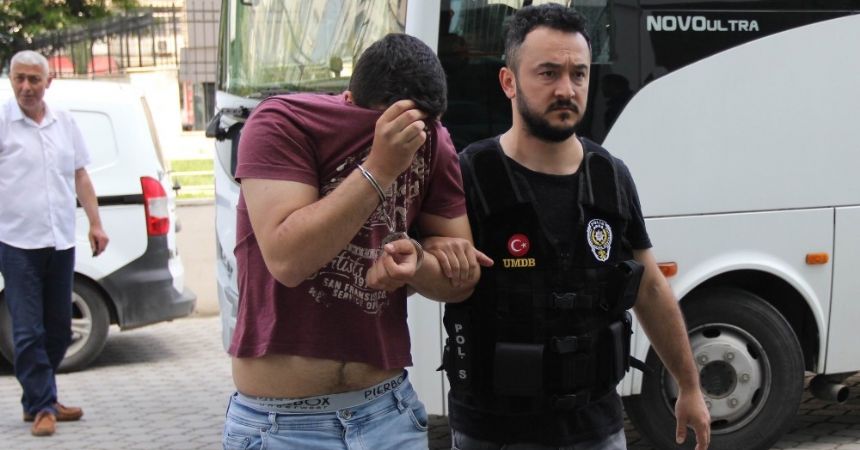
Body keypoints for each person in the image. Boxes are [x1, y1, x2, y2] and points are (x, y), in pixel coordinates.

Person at [427, 5, 711, 449]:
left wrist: (689, 386)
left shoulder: (611, 176)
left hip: (597, 430)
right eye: (548, 73)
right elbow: (431, 274)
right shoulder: (468, 175)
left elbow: (651, 288)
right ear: (508, 82)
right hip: (493, 434)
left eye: (579, 74)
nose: (566, 89)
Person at [223, 34, 491, 450]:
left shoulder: (430, 138)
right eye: (387, 128)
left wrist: (418, 263)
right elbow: (288, 260)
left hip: (387, 412)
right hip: (282, 426)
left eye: (417, 130)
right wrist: (380, 167)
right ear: (349, 101)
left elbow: (462, 281)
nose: (406, 142)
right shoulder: (282, 122)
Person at [0, 50, 109, 437]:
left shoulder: (65, 122)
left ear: (49, 82)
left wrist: (96, 223)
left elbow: (80, 175)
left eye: (34, 79)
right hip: (16, 243)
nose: (26, 86)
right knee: (28, 331)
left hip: (60, 240)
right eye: (19, 78)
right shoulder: (2, 122)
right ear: (11, 79)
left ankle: (36, 399)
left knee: (60, 329)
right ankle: (45, 405)